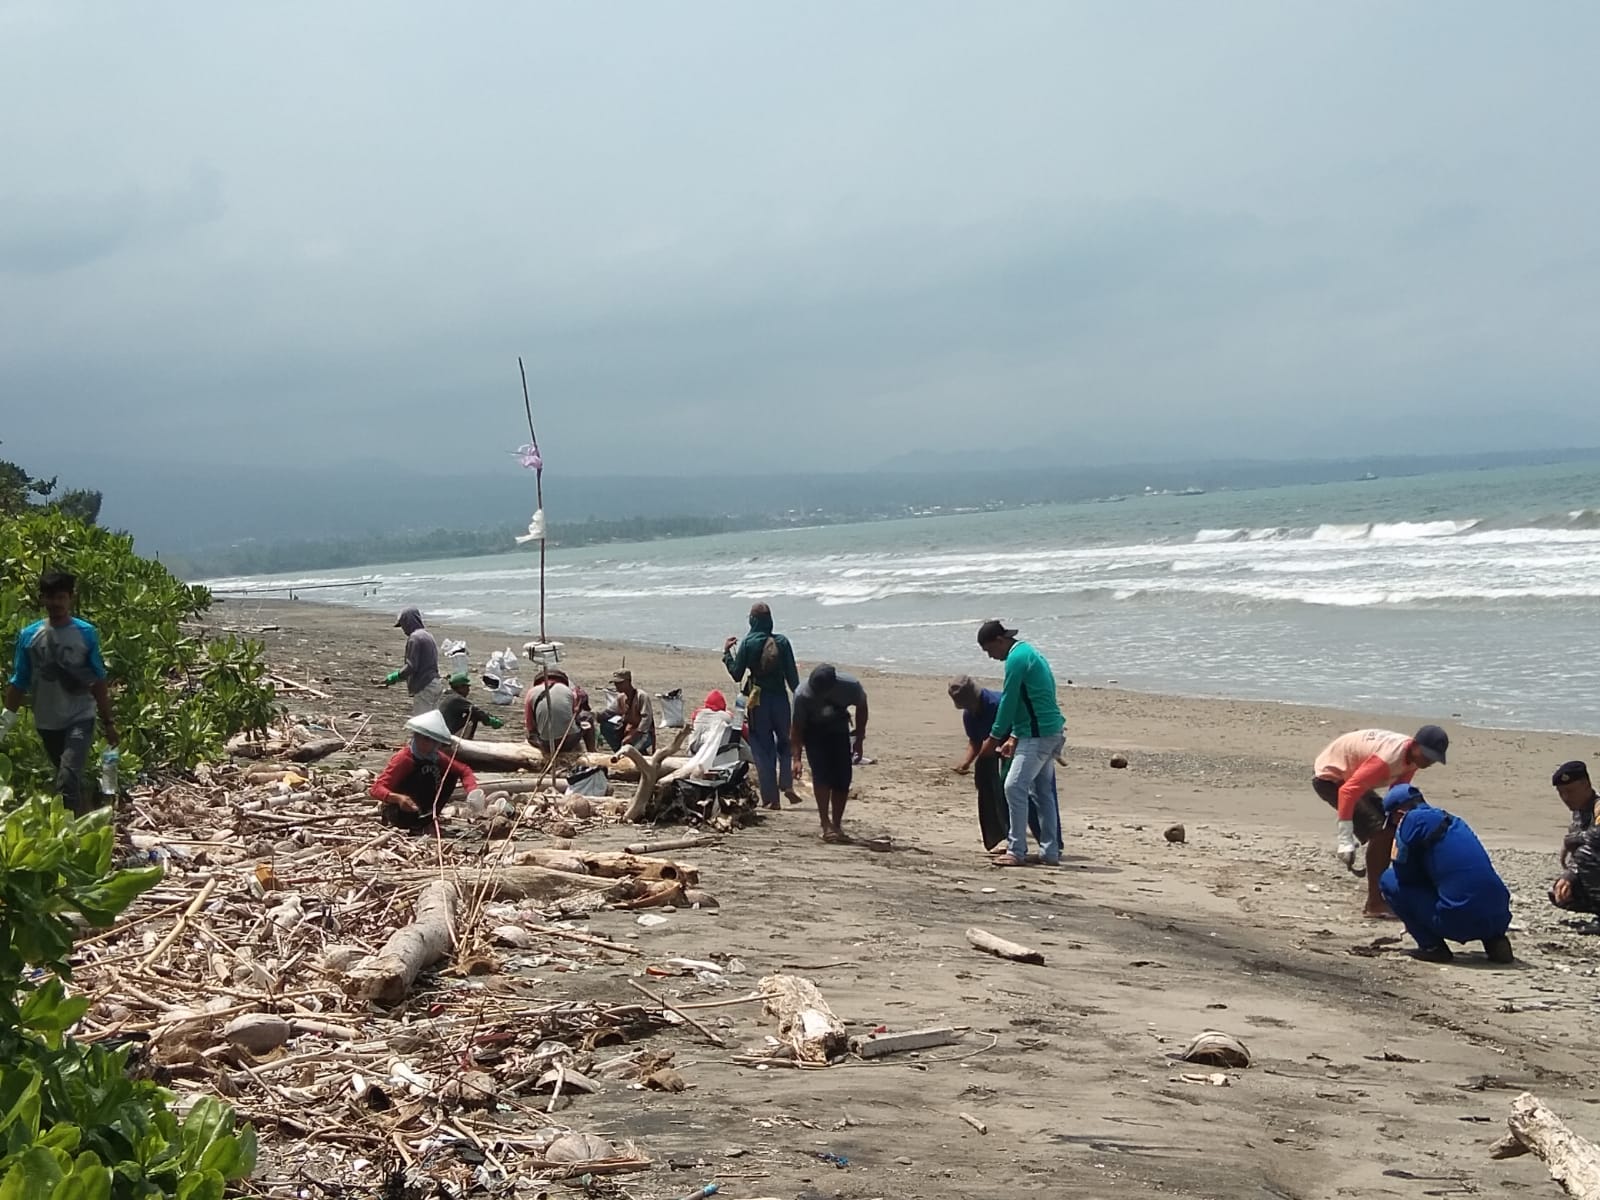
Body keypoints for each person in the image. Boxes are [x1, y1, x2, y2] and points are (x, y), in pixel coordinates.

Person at [2, 570, 119, 810]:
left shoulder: (86, 633)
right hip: (47, 721)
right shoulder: (29, 636)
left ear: (70, 598)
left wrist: (108, 722)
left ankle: (74, 836)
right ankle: (89, 809)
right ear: (42, 599)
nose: (55, 603)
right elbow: (19, 680)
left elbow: (97, 679)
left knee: (66, 777)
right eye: (50, 597)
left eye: (61, 597)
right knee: (68, 777)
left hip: (80, 717)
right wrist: (5, 723)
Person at [1311, 725, 1450, 917]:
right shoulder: (1388, 758)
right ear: (1415, 744)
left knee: (1391, 829)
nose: (1427, 762)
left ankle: (1386, 892)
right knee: (1381, 834)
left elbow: (1398, 790)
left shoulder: (1413, 759)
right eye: (1426, 755)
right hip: (1331, 778)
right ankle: (1374, 904)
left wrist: (1401, 819)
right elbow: (1347, 791)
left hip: (1352, 775)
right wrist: (1345, 839)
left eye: (1432, 759)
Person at [1378, 783, 1514, 964]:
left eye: (1393, 822)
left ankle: (1432, 947)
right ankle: (1494, 941)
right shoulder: (1454, 820)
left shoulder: (1410, 821)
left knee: (1388, 879)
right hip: (1499, 915)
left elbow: (1404, 876)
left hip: (1458, 920)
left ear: (1400, 814)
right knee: (1463, 883)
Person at [975, 621, 1063, 868]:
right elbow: (1028, 699)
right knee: (1042, 792)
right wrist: (1014, 735)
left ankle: (1017, 850)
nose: (991, 656)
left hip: (1038, 734)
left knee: (1013, 786)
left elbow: (1009, 701)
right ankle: (1050, 852)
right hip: (1046, 731)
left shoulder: (1016, 660)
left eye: (989, 650)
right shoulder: (1029, 653)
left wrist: (994, 737)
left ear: (1000, 641)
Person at [948, 675, 1057, 853]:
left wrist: (1007, 744)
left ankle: (1041, 842)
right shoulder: (969, 715)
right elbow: (975, 742)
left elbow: (1019, 726)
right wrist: (967, 762)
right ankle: (1003, 835)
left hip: (1021, 742)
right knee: (988, 786)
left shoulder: (997, 704)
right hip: (995, 748)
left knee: (1013, 787)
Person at [723, 602, 801, 809]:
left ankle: (771, 799)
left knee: (762, 747)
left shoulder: (748, 643)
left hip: (758, 701)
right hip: (780, 700)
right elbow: (793, 678)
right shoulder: (782, 642)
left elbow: (737, 674)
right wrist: (802, 699)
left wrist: (726, 654)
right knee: (784, 742)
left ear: (753, 620)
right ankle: (786, 784)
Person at [370, 709, 483, 833]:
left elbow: (463, 770)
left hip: (424, 809)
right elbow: (376, 789)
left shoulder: (435, 756)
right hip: (400, 811)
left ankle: (430, 819)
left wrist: (472, 791)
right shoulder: (404, 758)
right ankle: (416, 824)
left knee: (450, 773)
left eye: (432, 740)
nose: (426, 744)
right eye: (423, 738)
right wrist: (398, 798)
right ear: (416, 736)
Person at [790, 664, 867, 842]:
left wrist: (859, 738)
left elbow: (862, 705)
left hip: (839, 731)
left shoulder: (850, 686)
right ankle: (825, 823)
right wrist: (796, 759)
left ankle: (837, 824)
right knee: (822, 776)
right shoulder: (802, 694)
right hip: (814, 733)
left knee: (842, 778)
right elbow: (796, 727)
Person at [1548, 760, 1600, 915]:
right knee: (1560, 892)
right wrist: (1570, 875)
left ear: (1585, 785)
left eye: (1570, 791)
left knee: (1585, 855)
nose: (1565, 797)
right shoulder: (1580, 814)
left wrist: (1571, 840)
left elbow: (1596, 839)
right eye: (1561, 792)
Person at [384, 607, 441, 716]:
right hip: (435, 682)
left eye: (403, 625)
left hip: (424, 685)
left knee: (423, 722)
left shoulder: (414, 638)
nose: (404, 629)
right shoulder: (428, 636)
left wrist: (395, 677)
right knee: (433, 721)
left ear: (409, 622)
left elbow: (411, 666)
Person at [524, 667, 596, 753]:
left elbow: (530, 726)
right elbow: (574, 716)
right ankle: (592, 751)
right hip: (569, 741)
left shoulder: (531, 693)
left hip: (546, 744)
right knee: (587, 717)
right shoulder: (569, 691)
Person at [600, 669, 655, 753]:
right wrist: (595, 716)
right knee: (606, 726)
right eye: (616, 683)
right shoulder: (621, 697)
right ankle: (618, 750)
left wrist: (633, 735)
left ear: (628, 681)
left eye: (620, 683)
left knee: (629, 752)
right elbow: (609, 712)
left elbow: (646, 720)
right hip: (627, 730)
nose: (617, 686)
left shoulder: (641, 696)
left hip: (643, 733)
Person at [438, 672, 502, 739]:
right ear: (460, 687)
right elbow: (475, 710)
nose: (468, 690)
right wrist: (489, 720)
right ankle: (467, 741)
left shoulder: (447, 695)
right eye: (467, 687)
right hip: (447, 732)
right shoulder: (457, 699)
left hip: (441, 729)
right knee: (474, 715)